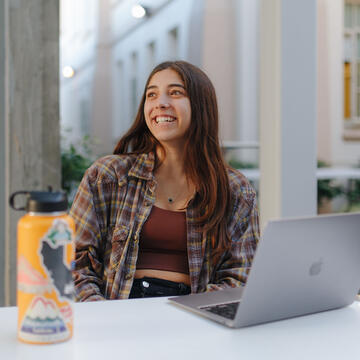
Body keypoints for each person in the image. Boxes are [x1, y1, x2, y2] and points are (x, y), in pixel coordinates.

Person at [70, 60, 260, 301]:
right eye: (152, 94)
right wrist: (104, 315)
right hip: (117, 310)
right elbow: (72, 261)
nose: (160, 103)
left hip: (192, 314)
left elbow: (242, 275)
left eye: (175, 93)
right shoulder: (108, 176)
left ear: (201, 106)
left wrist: (193, 317)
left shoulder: (235, 189)